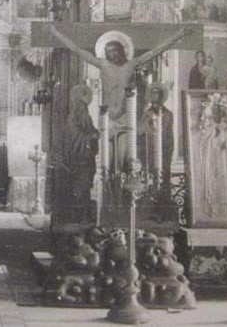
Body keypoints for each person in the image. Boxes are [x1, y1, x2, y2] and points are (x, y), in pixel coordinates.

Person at [50, 25, 192, 122]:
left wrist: (179, 35)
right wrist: (55, 33)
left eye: (116, 50)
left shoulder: (131, 64)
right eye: (109, 51)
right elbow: (76, 49)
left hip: (127, 114)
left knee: (125, 152)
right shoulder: (102, 64)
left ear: (122, 50)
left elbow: (155, 51)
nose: (113, 54)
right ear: (105, 53)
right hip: (107, 114)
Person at [54, 84, 100, 229]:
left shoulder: (85, 116)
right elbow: (75, 137)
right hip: (78, 159)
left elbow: (90, 130)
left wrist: (95, 134)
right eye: (82, 104)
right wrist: (90, 137)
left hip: (86, 159)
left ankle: (83, 217)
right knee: (79, 187)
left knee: (84, 188)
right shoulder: (73, 118)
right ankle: (77, 218)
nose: (84, 108)